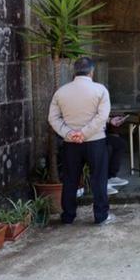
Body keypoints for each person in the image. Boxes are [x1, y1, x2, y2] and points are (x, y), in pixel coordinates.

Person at [48, 57, 114, 225]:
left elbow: (53, 118)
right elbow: (102, 117)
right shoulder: (100, 90)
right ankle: (100, 216)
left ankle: (68, 216)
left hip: (71, 143)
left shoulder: (61, 92)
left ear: (74, 71)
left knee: (70, 178)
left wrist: (70, 134)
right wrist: (84, 133)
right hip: (95, 140)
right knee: (99, 178)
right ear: (92, 71)